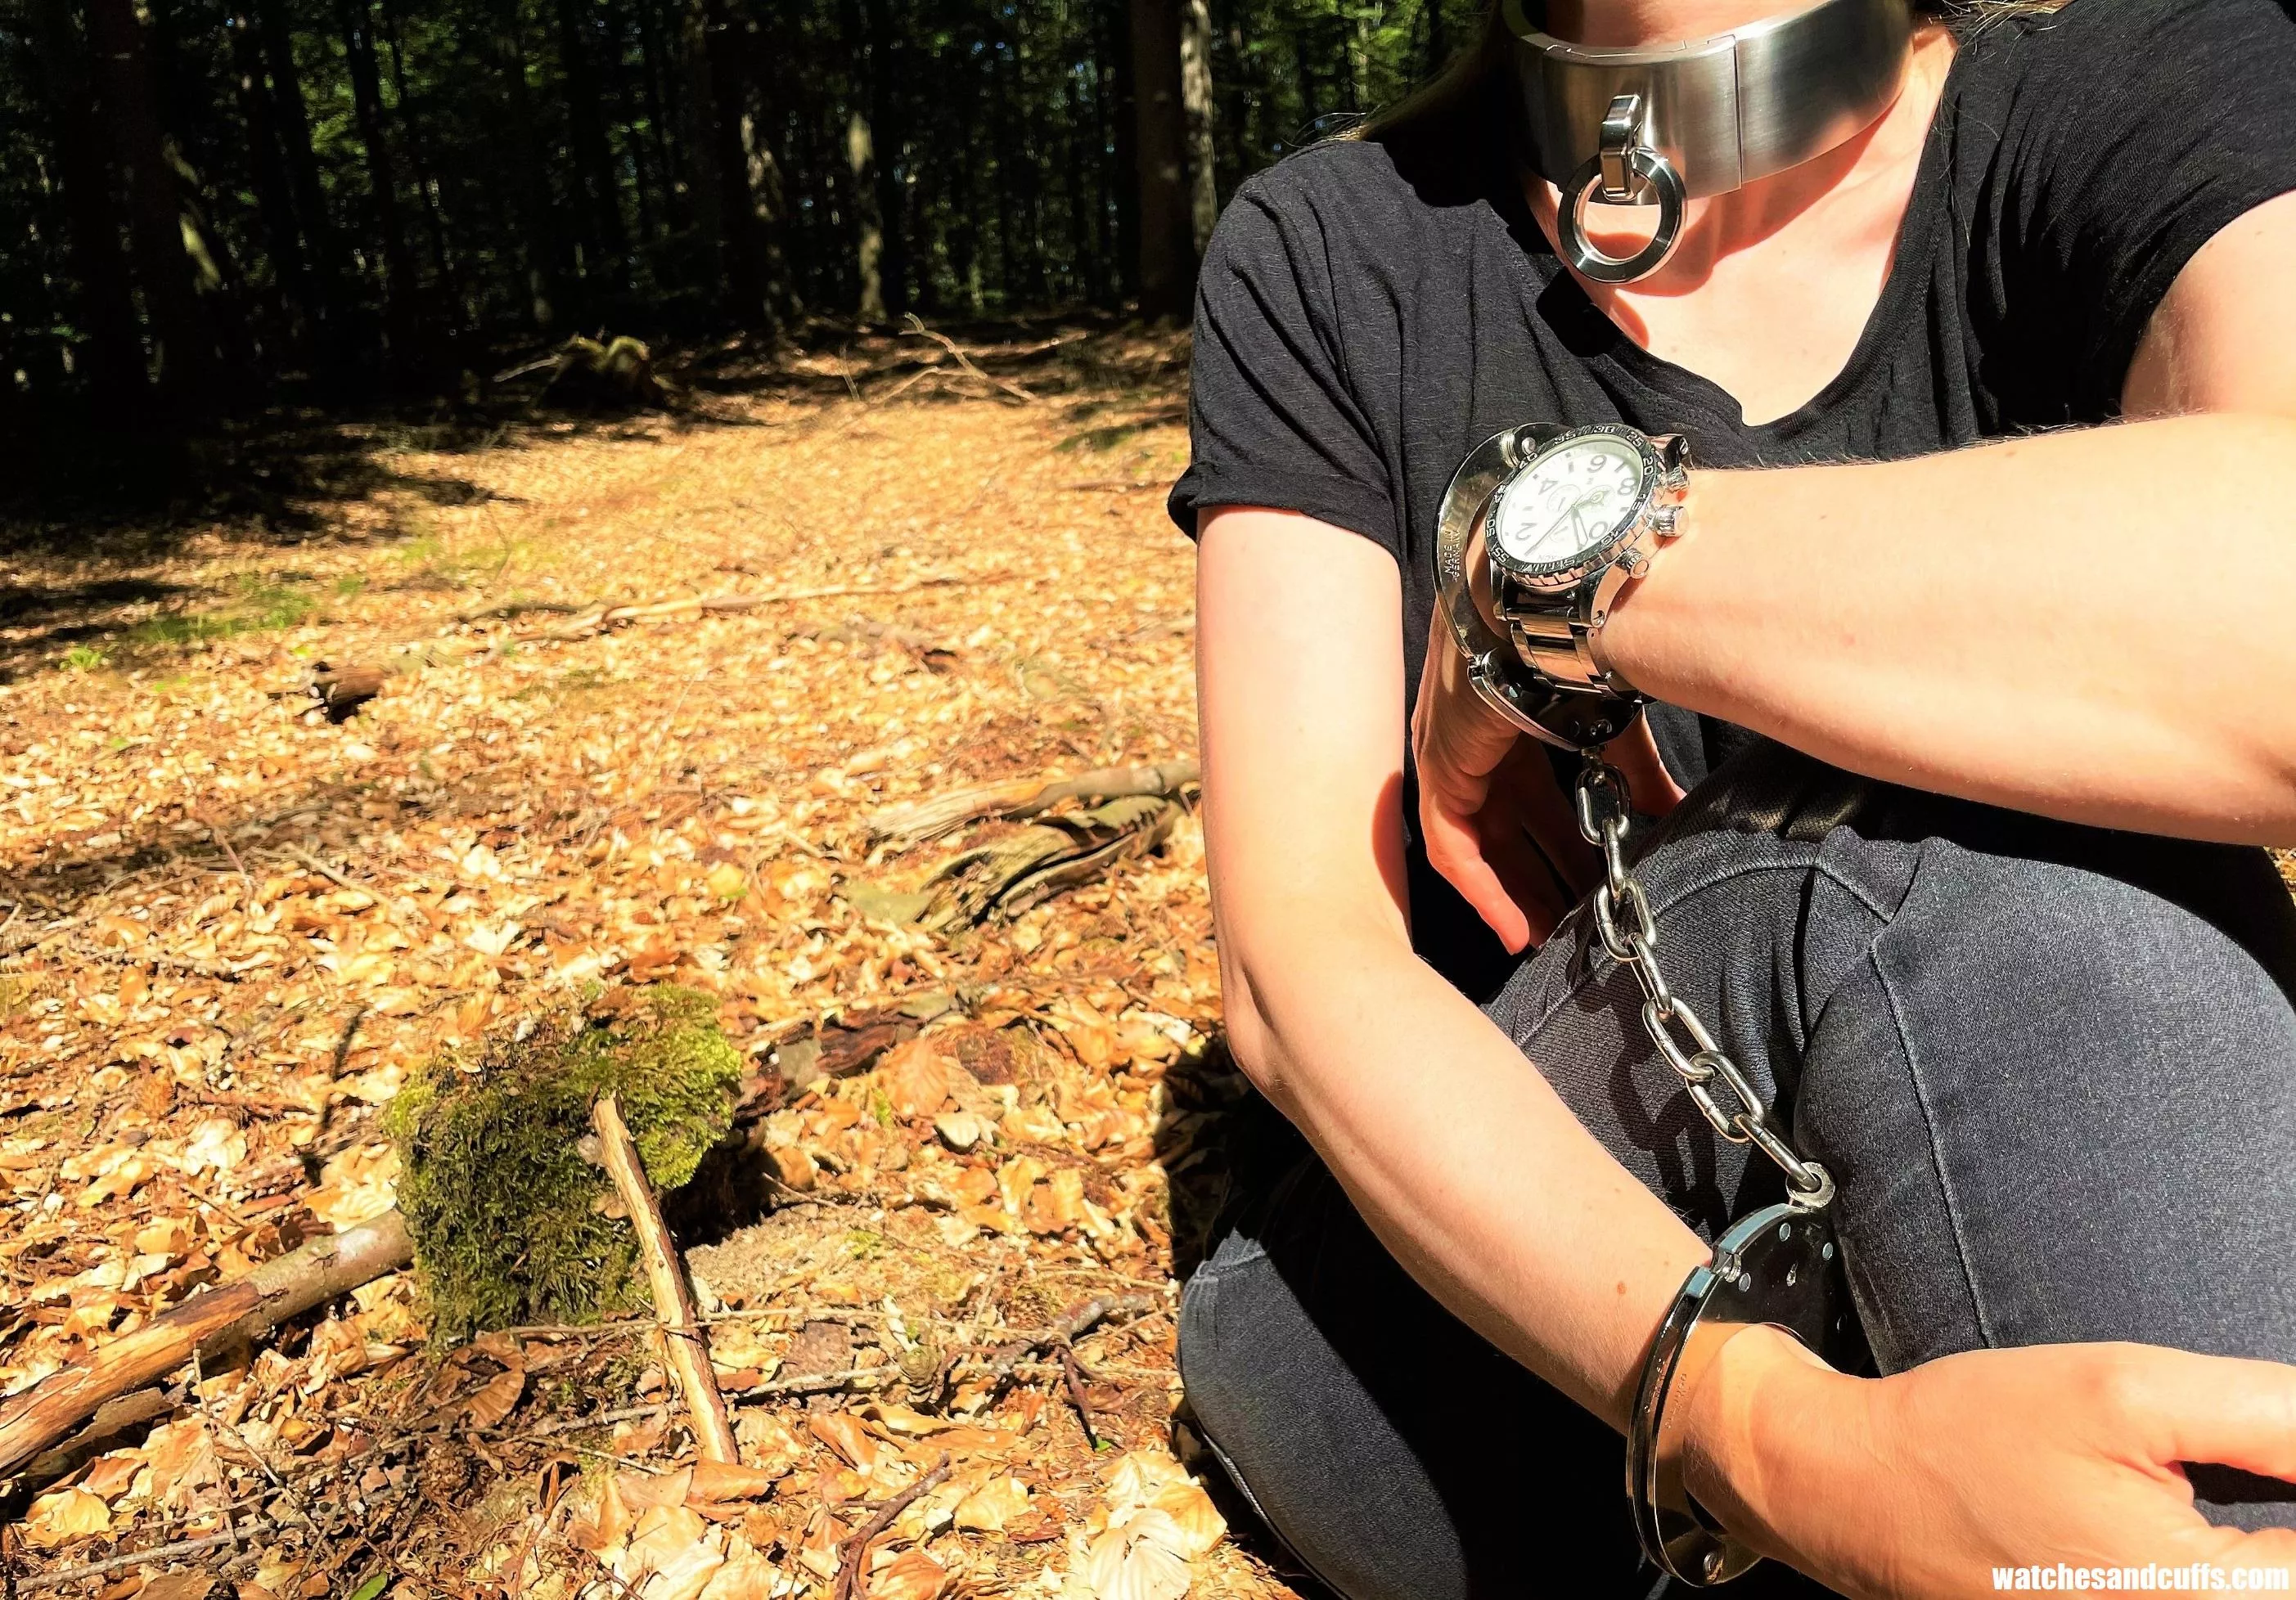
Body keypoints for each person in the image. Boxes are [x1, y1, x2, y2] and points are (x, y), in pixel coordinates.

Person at [1168, 0, 2296, 1593]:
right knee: (1949, 850)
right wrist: (1761, 1435)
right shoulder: (1336, 243)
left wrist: (1562, 573)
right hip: (1472, 1320)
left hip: (2087, 1179)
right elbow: (1299, 967)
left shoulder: (2143, 93)